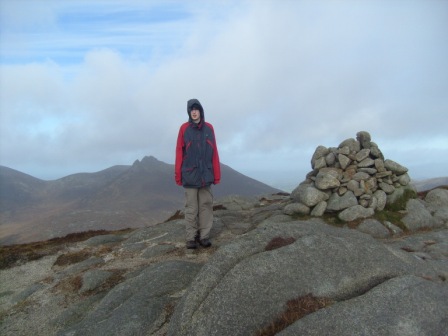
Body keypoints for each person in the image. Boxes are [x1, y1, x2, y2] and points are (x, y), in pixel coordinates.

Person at [175, 98, 221, 249]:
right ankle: (191, 238)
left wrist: (216, 173)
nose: (194, 112)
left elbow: (214, 152)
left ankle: (204, 236)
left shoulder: (209, 128)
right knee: (191, 208)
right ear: (189, 112)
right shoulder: (184, 129)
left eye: (196, 109)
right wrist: (178, 174)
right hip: (190, 175)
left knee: (206, 206)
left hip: (206, 175)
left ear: (201, 111)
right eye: (191, 110)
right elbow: (179, 153)